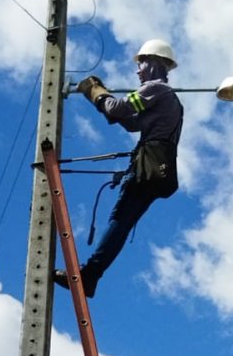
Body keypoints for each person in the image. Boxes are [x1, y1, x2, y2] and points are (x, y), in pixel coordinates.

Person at [54, 39, 183, 299]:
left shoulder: (155, 89)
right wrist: (106, 103)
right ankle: (91, 276)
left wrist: (96, 92)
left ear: (153, 63)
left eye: (141, 63)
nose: (137, 71)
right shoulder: (168, 100)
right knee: (122, 224)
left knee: (119, 221)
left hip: (147, 168)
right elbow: (130, 123)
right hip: (159, 171)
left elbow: (117, 108)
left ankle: (90, 274)